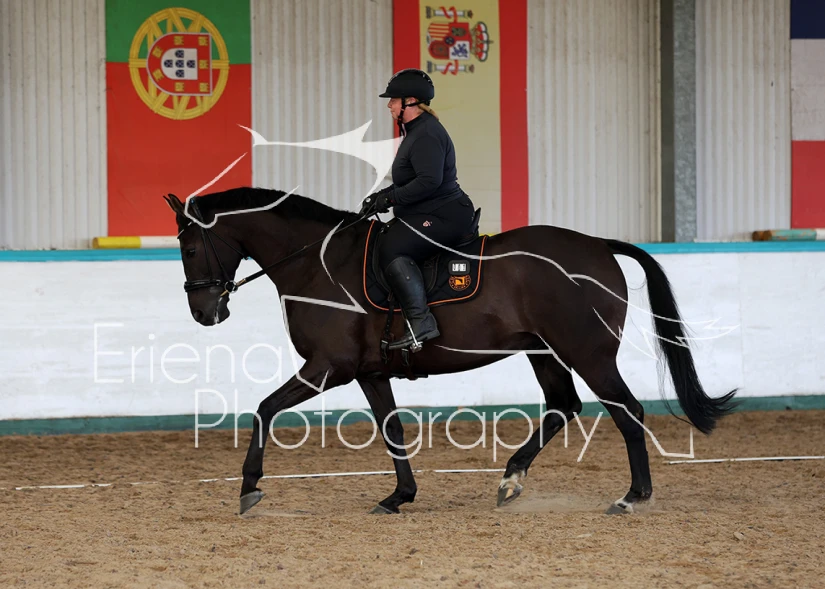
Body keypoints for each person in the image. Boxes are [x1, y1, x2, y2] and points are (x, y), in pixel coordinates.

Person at [360, 68, 476, 351]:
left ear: (410, 102)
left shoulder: (426, 133)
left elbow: (428, 181)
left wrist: (390, 199)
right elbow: (411, 180)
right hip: (429, 212)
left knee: (392, 247)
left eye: (393, 100)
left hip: (446, 215)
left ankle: (421, 322)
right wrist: (381, 196)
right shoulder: (416, 131)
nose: (389, 105)